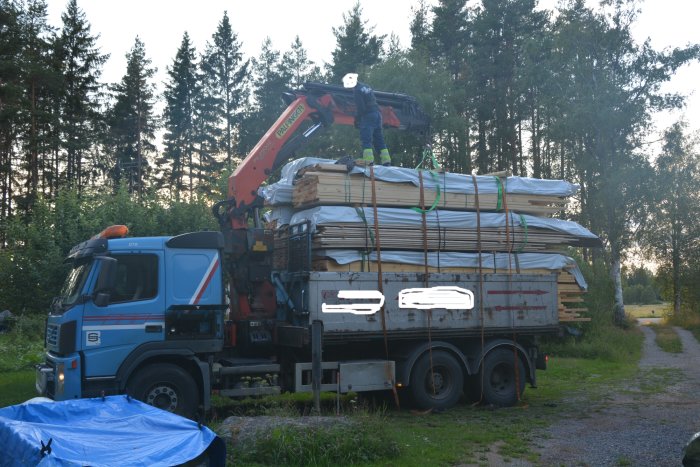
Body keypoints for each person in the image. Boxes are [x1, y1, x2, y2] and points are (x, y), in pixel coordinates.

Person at [343, 73, 391, 166]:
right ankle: (386, 161)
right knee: (379, 139)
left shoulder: (357, 91)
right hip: (377, 114)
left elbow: (361, 108)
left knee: (366, 138)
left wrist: (357, 119)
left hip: (368, 116)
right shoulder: (366, 86)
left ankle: (368, 160)